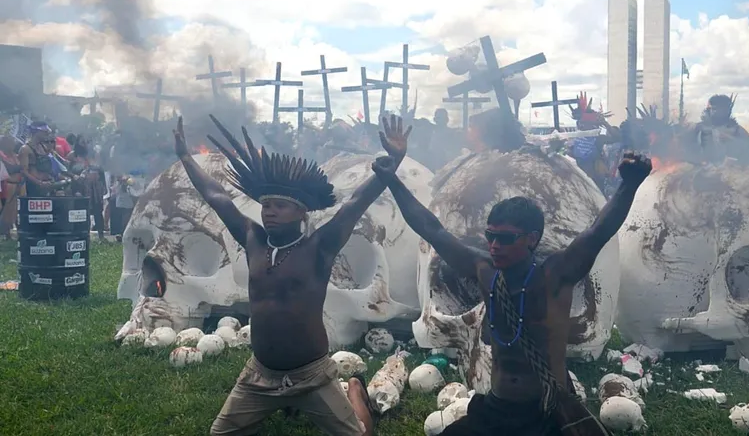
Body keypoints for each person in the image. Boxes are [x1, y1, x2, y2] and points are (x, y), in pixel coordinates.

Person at [370, 149, 652, 435]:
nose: (494, 245)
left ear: (532, 239)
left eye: (505, 238)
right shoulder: (486, 272)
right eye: (490, 236)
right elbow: (433, 230)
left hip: (546, 412)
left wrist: (629, 185)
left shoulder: (554, 277)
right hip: (498, 408)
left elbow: (597, 233)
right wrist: (392, 180)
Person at [174, 114, 411, 436]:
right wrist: (186, 158)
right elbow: (218, 198)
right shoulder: (254, 240)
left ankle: (355, 391)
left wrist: (394, 161)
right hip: (260, 374)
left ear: (301, 211)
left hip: (311, 375)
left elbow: (354, 204)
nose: (269, 211)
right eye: (266, 205)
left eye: (280, 206)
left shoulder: (319, 247)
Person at [68, 135, 107, 239]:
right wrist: (75, 179)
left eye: (87, 142)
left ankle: (101, 236)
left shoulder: (95, 154)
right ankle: (85, 235)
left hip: (95, 188)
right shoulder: (73, 155)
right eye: (83, 142)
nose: (85, 145)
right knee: (83, 211)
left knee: (98, 211)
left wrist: (104, 185)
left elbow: (101, 170)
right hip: (80, 187)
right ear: (78, 143)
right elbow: (67, 171)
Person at [0, 135, 23, 237]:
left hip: (19, 185)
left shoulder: (15, 155)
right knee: (6, 209)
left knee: (16, 210)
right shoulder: (1, 156)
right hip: (7, 185)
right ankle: (4, 232)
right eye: (10, 142)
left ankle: (14, 230)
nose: (13, 144)